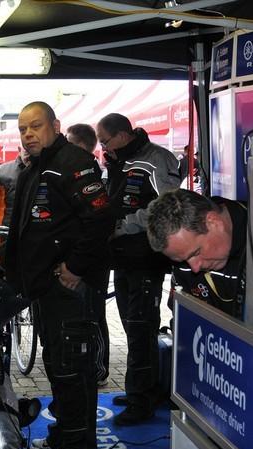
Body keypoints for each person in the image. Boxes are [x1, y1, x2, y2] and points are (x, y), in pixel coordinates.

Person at [6, 101, 114, 449]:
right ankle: (64, 437)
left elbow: (101, 218)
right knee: (59, 369)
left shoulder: (73, 161)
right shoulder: (38, 165)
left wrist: (76, 267)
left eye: (35, 126)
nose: (28, 134)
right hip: (46, 290)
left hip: (69, 289)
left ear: (55, 125)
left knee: (73, 374)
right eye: (23, 129)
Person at [96, 112, 180, 426]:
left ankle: (140, 401)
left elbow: (169, 205)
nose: (104, 146)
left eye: (105, 140)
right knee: (134, 330)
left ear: (123, 134)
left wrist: (126, 224)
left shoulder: (157, 158)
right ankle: (148, 389)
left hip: (146, 258)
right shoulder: (118, 160)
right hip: (123, 257)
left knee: (142, 329)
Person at [146, 188, 247, 319]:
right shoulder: (184, 253)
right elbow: (183, 323)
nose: (195, 267)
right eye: (182, 261)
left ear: (213, 223)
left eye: (196, 253)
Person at [65, 123, 111, 388]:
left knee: (95, 315)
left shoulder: (89, 172)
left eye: (70, 143)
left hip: (93, 261)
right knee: (85, 315)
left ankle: (100, 370)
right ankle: (88, 367)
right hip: (83, 258)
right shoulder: (76, 170)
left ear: (81, 145)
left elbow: (96, 222)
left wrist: (79, 263)